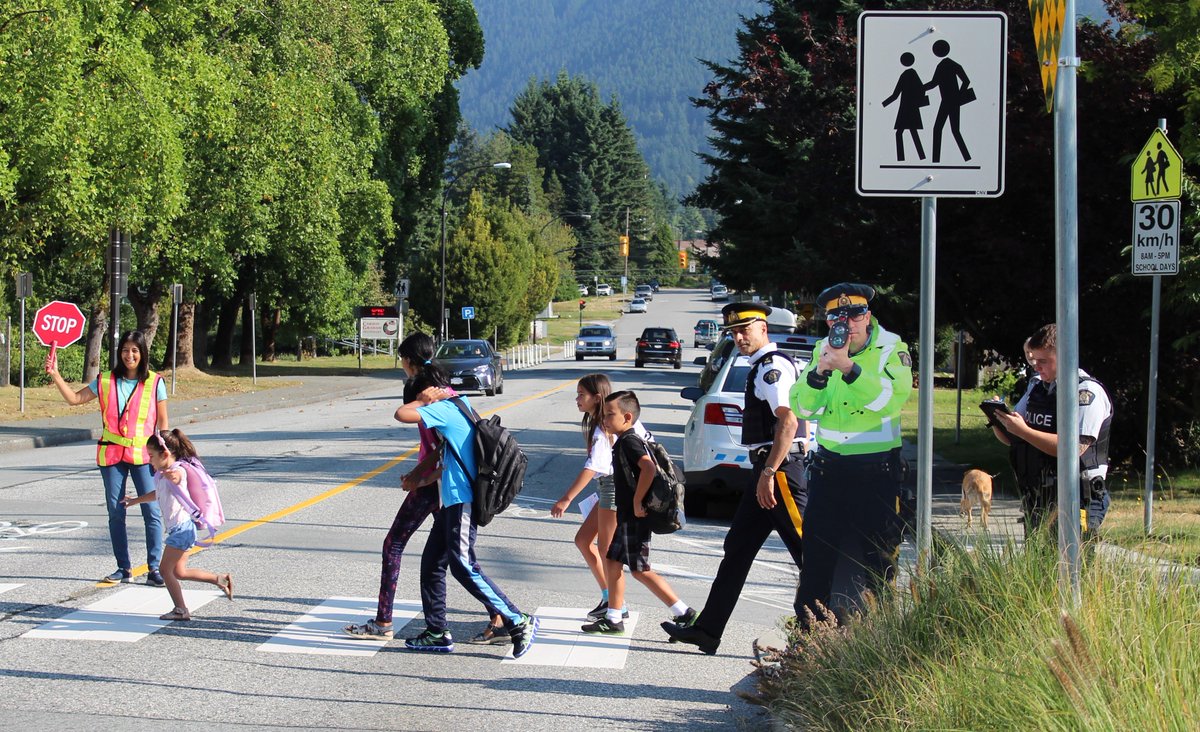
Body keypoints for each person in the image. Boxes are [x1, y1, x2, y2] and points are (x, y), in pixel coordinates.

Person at [663, 302, 808, 655]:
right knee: (737, 550)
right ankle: (709, 630)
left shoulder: (772, 368)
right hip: (766, 469)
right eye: (733, 333)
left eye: (745, 329)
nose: (739, 337)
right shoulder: (759, 366)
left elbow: (788, 422)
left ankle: (821, 630)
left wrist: (770, 473)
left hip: (782, 471)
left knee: (809, 552)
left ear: (763, 328)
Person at [343, 333, 507, 644]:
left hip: (439, 485)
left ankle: (383, 622)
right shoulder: (450, 392)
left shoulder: (427, 395)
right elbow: (440, 446)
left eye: (402, 362)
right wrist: (417, 472)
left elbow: (420, 429)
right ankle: (494, 616)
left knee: (395, 544)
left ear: (408, 362)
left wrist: (420, 478)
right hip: (438, 482)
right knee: (456, 559)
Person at [788, 284, 913, 627]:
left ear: (868, 317)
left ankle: (881, 635)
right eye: (837, 317)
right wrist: (819, 373)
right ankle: (809, 637)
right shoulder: (822, 350)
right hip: (830, 472)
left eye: (855, 315)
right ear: (829, 322)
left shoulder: (891, 349)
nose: (848, 324)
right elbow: (802, 406)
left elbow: (888, 400)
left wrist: (849, 369)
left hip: (876, 474)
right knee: (816, 560)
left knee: (879, 560)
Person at [394, 384, 538, 657]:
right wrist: (422, 479)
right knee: (432, 564)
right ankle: (436, 631)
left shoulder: (445, 409)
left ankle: (517, 620)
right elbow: (456, 458)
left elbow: (401, 414)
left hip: (461, 502)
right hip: (452, 501)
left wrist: (423, 402)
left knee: (463, 565)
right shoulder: (461, 407)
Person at [46, 330, 167, 587]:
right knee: (115, 512)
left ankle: (154, 567)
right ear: (119, 352)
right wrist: (56, 374)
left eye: (135, 350)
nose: (129, 355)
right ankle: (124, 568)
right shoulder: (104, 381)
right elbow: (75, 399)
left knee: (152, 510)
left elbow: (163, 426)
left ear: (142, 353)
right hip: (112, 455)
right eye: (125, 350)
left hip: (145, 457)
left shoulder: (156, 382)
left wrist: (167, 458)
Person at [582, 391, 695, 635]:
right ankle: (613, 617)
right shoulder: (624, 439)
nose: (605, 419)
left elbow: (648, 467)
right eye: (604, 414)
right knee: (613, 560)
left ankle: (685, 613)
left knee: (639, 570)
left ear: (627, 417)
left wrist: (636, 501)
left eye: (610, 415)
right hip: (627, 515)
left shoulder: (630, 441)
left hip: (635, 517)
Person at [990, 324, 1113, 537]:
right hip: (1039, 494)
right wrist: (997, 419)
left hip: (1078, 496)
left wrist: (1024, 432)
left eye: (1043, 361)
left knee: (1073, 562)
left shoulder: (1086, 392)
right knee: (1038, 564)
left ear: (1065, 357)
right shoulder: (1037, 388)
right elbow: (1013, 438)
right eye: (1034, 360)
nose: (1036, 366)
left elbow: (1073, 449)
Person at [550, 374, 653, 622]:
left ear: (597, 398)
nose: (577, 399)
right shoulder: (607, 422)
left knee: (609, 554)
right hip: (611, 486)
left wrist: (566, 499)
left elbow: (593, 466)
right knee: (584, 540)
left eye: (581, 395)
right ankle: (609, 597)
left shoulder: (604, 427)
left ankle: (617, 608)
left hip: (614, 489)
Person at [121, 429, 233, 621]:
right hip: (181, 529)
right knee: (179, 572)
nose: (149, 460)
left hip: (182, 530)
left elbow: (178, 479)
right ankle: (220, 579)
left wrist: (172, 476)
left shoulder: (177, 471)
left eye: (152, 456)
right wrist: (135, 501)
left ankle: (181, 610)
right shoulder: (163, 475)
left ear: (165, 454)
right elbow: (157, 494)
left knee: (165, 571)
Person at [881, 51, 928, 162]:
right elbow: (921, 90)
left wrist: (882, 105)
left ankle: (904, 159)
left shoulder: (907, 75)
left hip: (906, 109)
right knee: (910, 132)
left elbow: (895, 95)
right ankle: (919, 157)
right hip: (909, 108)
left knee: (902, 133)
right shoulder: (911, 74)